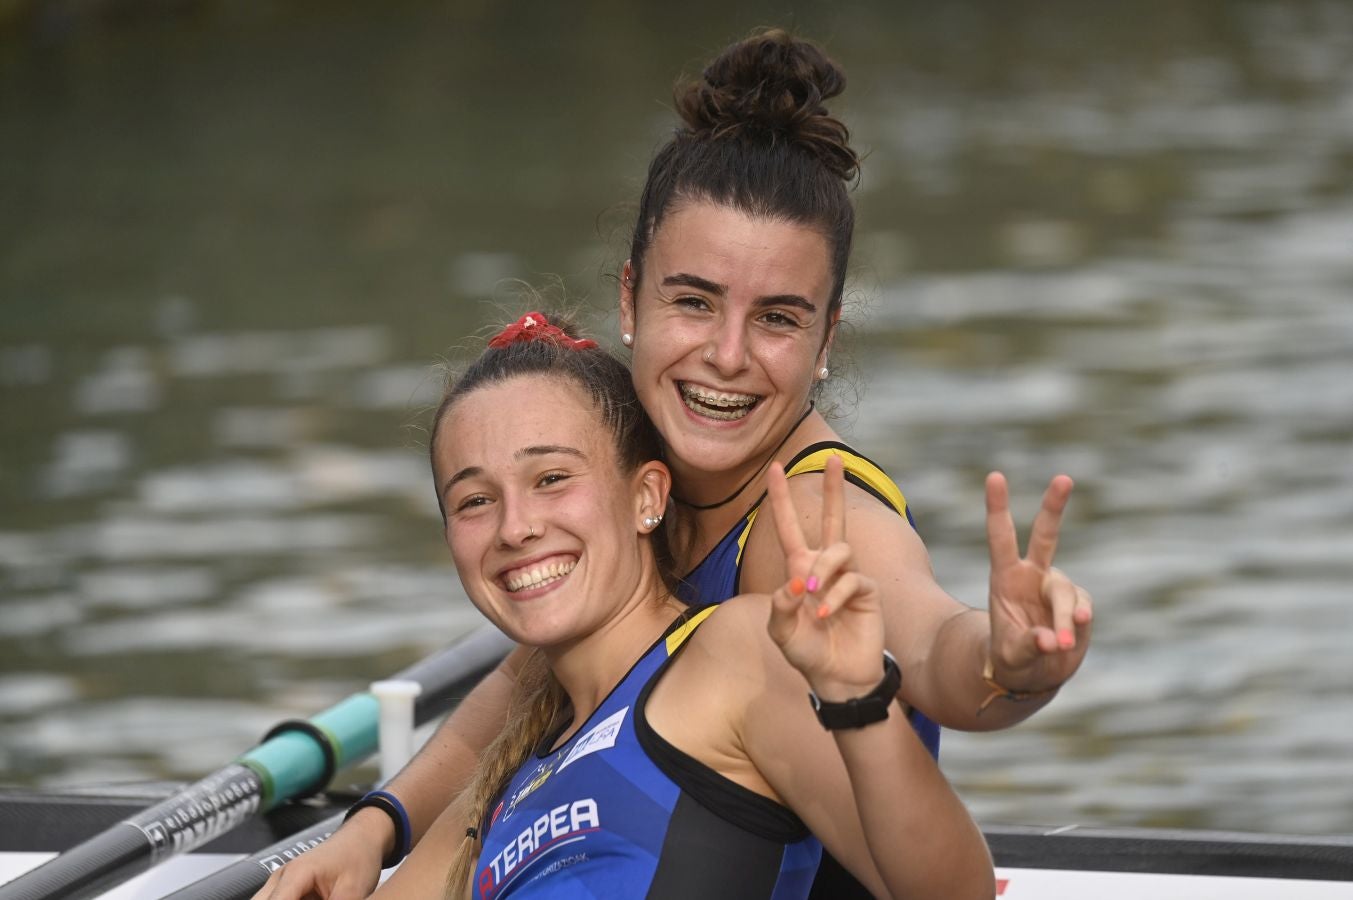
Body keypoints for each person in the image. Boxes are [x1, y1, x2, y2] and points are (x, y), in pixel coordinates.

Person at [253, 28, 1091, 900]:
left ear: (825, 339)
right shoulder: (625, 477)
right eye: (692, 302)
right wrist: (377, 825)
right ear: (628, 298)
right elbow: (517, 699)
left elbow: (934, 653)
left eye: (775, 318)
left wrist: (1009, 659)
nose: (726, 356)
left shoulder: (802, 518)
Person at [376, 315, 993, 898]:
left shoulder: (732, 655)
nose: (515, 528)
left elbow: (955, 894)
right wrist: (366, 829)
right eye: (475, 501)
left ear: (647, 496)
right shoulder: (507, 776)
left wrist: (857, 699)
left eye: (552, 479)